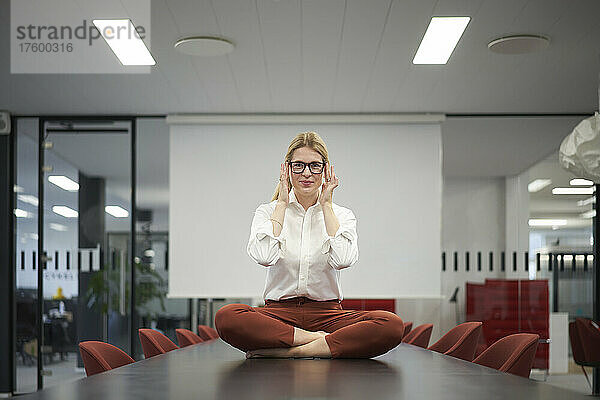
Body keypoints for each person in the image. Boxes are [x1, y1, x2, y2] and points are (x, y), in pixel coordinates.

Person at [215, 131, 404, 358]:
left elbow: (343, 260)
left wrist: (326, 207)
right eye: (299, 166)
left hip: (329, 315)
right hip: (278, 315)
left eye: (315, 165)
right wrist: (282, 204)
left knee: (391, 324)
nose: (306, 173)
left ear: (325, 170)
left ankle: (285, 353)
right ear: (287, 169)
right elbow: (264, 256)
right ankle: (318, 342)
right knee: (227, 317)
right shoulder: (268, 211)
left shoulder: (342, 215)